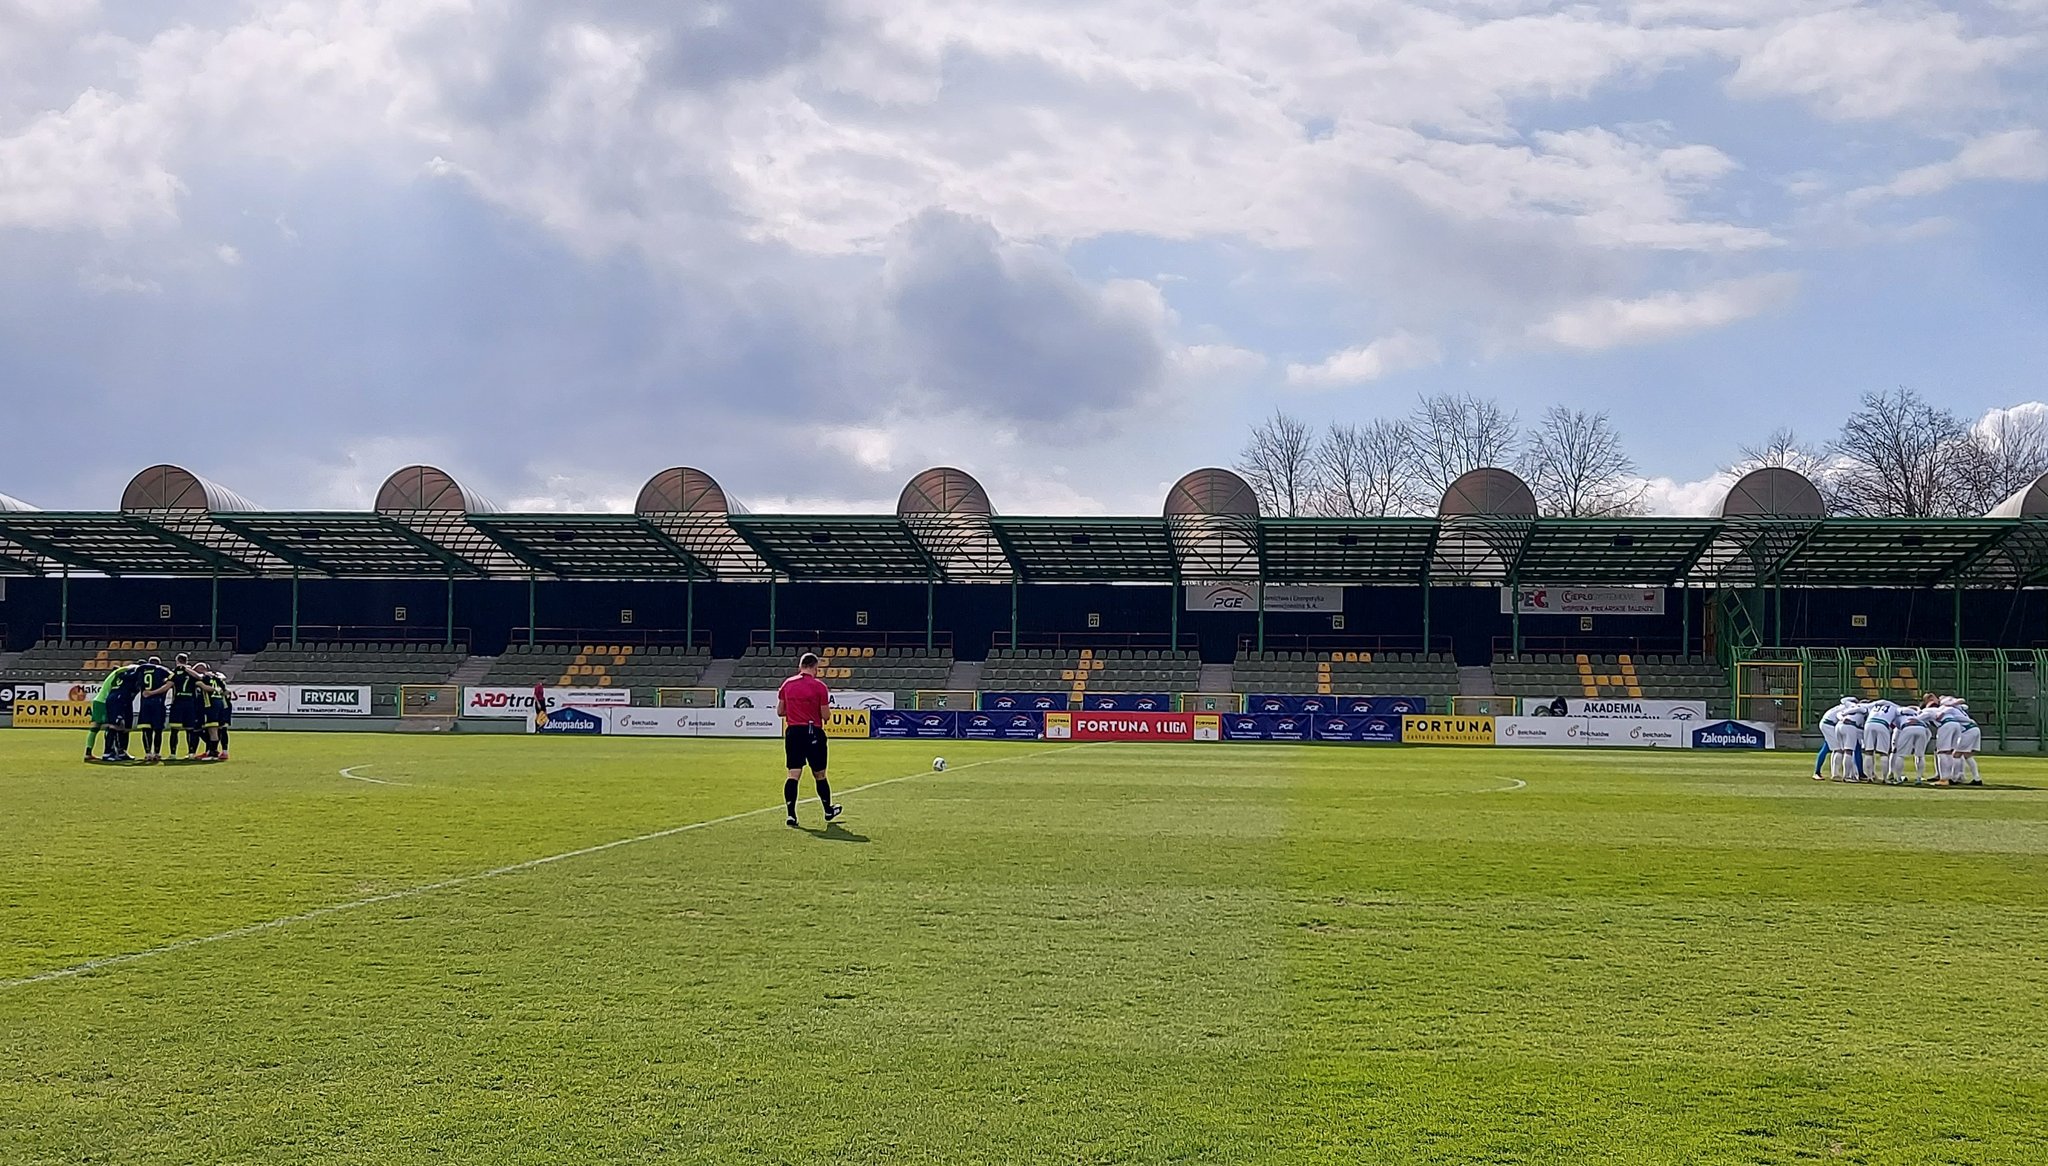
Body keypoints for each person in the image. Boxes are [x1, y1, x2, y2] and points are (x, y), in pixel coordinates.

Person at [777, 652, 842, 828]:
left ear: (800, 666)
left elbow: (780, 711)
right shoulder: (819, 686)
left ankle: (791, 815)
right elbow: (825, 714)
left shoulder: (787, 685)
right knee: (819, 774)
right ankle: (828, 810)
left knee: (793, 774)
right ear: (815, 667)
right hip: (813, 731)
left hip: (793, 732)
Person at [84, 661, 140, 763]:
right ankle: (109, 752)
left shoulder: (119, 673)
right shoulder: (127, 674)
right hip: (104, 701)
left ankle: (89, 752)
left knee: (95, 727)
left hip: (99, 700)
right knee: (111, 726)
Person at [134, 655, 176, 763]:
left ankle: (148, 753)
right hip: (158, 703)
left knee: (146, 729)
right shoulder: (162, 670)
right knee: (158, 729)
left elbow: (138, 684)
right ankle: (157, 753)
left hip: (145, 703)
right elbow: (173, 678)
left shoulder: (142, 670)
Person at [168, 655, 203, 758]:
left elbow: (168, 683)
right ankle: (191, 753)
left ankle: (173, 754)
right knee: (190, 729)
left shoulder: (174, 672)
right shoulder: (191, 672)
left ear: (177, 661)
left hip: (178, 703)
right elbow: (199, 677)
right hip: (189, 704)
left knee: (175, 730)